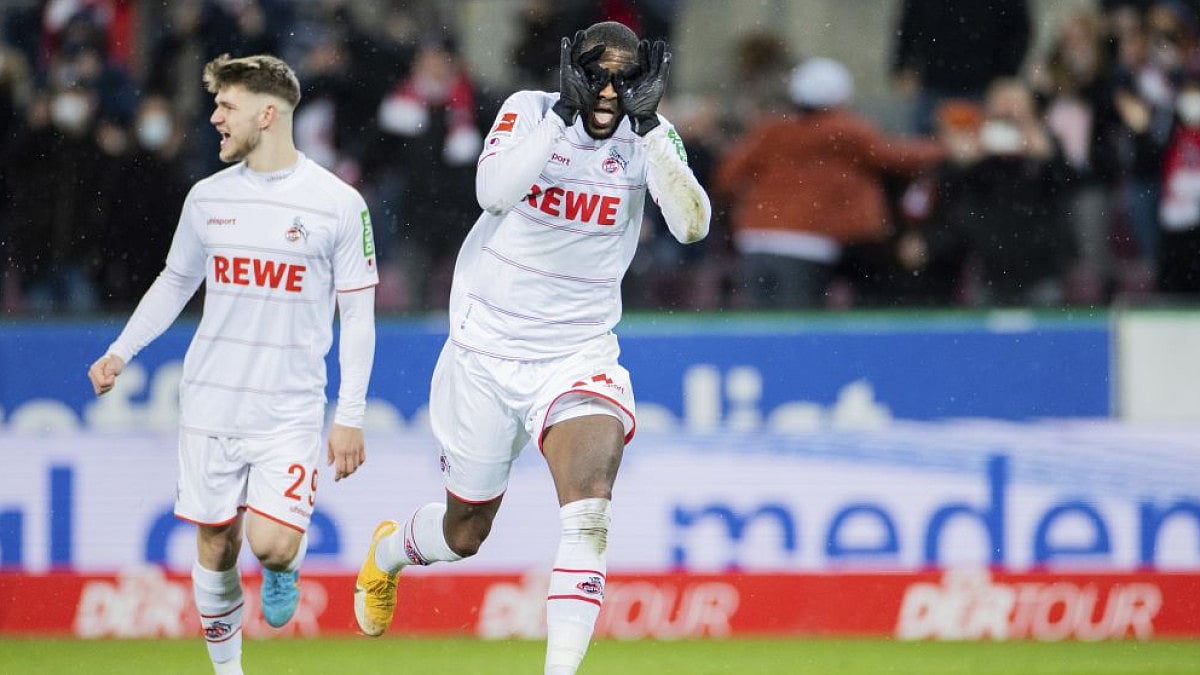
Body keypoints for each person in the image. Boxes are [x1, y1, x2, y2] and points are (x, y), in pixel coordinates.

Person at [353, 21, 709, 675]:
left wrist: (653, 131)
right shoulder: (530, 112)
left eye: (624, 77)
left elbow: (692, 226)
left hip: (578, 354)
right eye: (596, 74)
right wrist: (563, 116)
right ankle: (389, 551)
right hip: (485, 350)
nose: (609, 90)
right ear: (570, 71)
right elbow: (492, 193)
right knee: (466, 531)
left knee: (589, 510)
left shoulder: (650, 136)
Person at [86, 54, 378, 675]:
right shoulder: (207, 199)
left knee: (271, 545)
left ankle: (283, 567)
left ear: (267, 114)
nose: (215, 118)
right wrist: (120, 350)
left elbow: (357, 317)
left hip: (289, 407)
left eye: (227, 106)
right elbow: (175, 282)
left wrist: (349, 415)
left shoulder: (338, 205)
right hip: (211, 402)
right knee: (217, 545)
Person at [713, 57, 945, 309]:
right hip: (808, 243)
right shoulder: (845, 131)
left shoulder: (772, 131)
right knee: (798, 323)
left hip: (754, 239)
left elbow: (727, 176)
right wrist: (945, 148)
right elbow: (895, 157)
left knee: (760, 321)